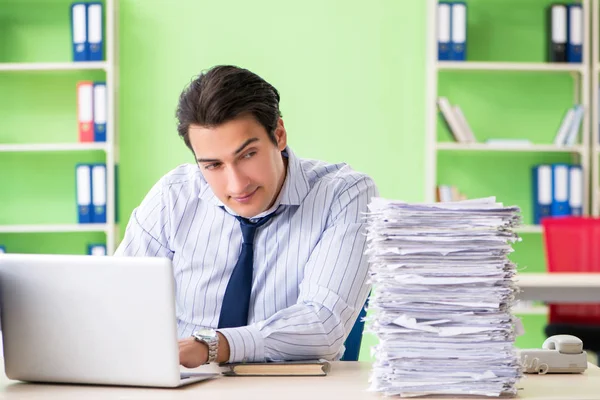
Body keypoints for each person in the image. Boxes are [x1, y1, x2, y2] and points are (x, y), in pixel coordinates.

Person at [115, 65, 378, 368]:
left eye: (248, 155)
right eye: (213, 165)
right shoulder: (174, 196)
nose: (236, 184)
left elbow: (323, 324)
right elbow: (118, 299)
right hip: (184, 385)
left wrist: (212, 347)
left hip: (290, 390)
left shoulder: (344, 195)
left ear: (278, 135)